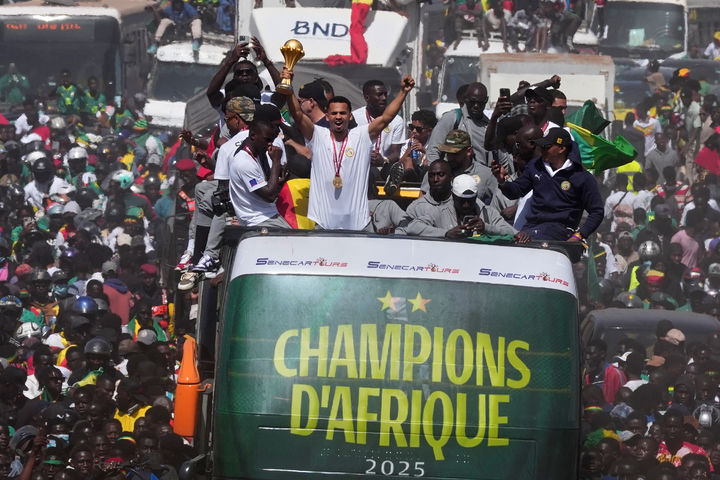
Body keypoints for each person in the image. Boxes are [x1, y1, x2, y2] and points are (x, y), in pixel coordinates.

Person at [281, 70, 415, 230]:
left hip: (358, 224)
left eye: (343, 113)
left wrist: (403, 92)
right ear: (327, 116)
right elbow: (297, 114)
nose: (338, 117)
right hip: (324, 223)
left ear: (350, 116)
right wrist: (288, 85)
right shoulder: (317, 135)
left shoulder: (361, 135)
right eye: (334, 113)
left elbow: (386, 118)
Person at [492, 127, 603, 242]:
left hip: (561, 231)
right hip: (531, 228)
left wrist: (579, 236)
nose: (542, 150)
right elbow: (516, 191)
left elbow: (597, 211)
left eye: (547, 147)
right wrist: (502, 181)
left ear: (561, 149)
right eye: (541, 146)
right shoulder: (535, 166)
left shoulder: (582, 177)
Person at [398, 164, 516, 238]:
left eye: (470, 200)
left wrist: (486, 227)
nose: (466, 205)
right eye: (462, 201)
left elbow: (512, 232)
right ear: (453, 197)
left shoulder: (487, 212)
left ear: (476, 197)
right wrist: (446, 233)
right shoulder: (440, 212)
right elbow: (413, 227)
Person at [425, 82, 490, 165]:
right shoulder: (452, 118)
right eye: (472, 101)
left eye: (480, 102)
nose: (476, 105)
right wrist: (438, 171)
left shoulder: (488, 125)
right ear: (466, 99)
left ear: (486, 100)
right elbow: (433, 151)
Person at [352, 80, 405, 169]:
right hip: (359, 166)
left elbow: (396, 153)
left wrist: (384, 160)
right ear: (367, 97)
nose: (384, 98)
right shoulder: (354, 117)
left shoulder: (397, 120)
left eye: (385, 94)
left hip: (385, 168)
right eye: (379, 95)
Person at [397, 110, 437, 182]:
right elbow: (398, 165)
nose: (414, 131)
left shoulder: (434, 142)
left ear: (429, 131)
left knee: (427, 161)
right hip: (413, 172)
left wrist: (424, 150)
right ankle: (410, 181)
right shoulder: (407, 143)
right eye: (412, 127)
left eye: (418, 129)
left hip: (428, 174)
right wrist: (407, 152)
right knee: (408, 159)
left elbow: (438, 161)